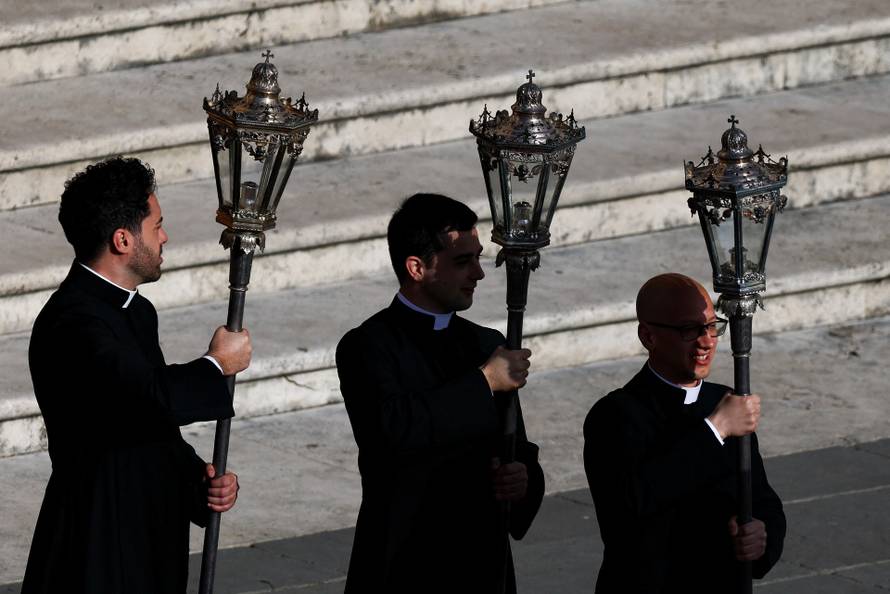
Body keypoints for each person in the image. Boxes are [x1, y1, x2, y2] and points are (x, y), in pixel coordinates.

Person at [22, 157, 251, 594]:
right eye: (156, 226)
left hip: (145, 531)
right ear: (123, 239)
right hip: (95, 542)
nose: (164, 237)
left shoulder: (137, 311)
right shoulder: (72, 324)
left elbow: (144, 425)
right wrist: (217, 363)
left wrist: (199, 481)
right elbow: (148, 396)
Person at [335, 193, 545, 593]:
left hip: (481, 562)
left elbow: (514, 446)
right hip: (404, 560)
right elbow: (392, 432)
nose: (478, 274)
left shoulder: (486, 344)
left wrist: (522, 479)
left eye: (478, 258)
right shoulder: (367, 345)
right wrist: (483, 382)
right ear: (417, 268)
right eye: (462, 262)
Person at [583, 273, 785, 593]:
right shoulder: (614, 415)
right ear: (648, 336)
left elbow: (761, 498)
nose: (706, 341)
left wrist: (761, 535)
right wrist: (716, 428)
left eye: (711, 326)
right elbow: (632, 505)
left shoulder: (725, 401)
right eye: (689, 330)